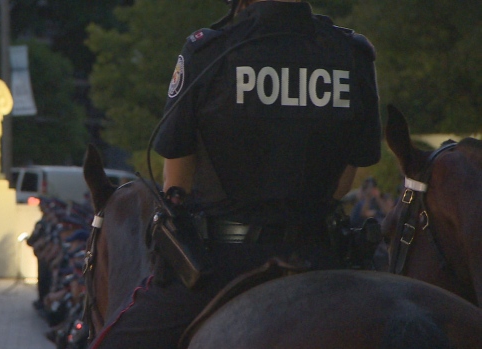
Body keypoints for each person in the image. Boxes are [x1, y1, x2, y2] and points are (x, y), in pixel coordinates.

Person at [89, 1, 381, 348]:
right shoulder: (353, 53)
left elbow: (176, 183)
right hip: (324, 258)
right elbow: (343, 184)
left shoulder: (208, 50)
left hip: (221, 266)